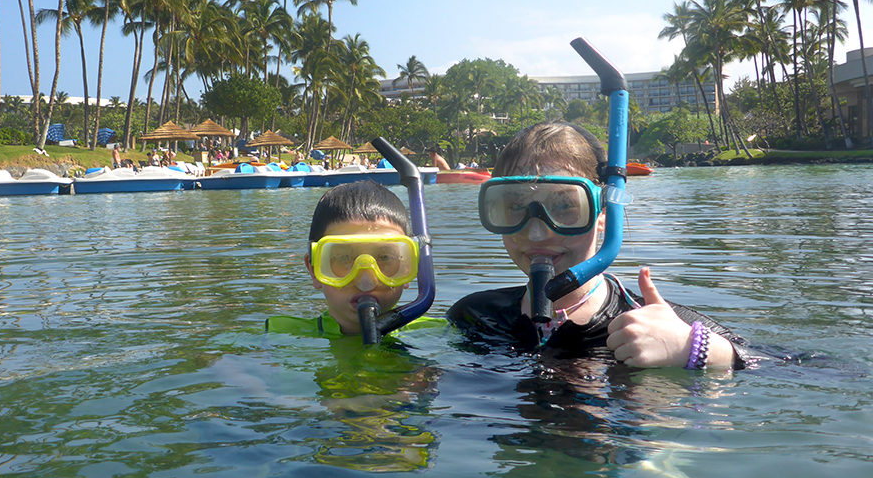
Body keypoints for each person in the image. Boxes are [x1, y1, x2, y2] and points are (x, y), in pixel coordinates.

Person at [447, 121, 756, 370]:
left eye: (565, 206)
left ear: (604, 213)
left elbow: (785, 368)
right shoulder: (473, 316)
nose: (537, 233)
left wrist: (697, 351)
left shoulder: (665, 325)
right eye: (514, 206)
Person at [266, 180, 441, 337]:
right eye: (344, 258)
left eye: (385, 257)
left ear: (408, 266)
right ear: (314, 270)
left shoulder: (437, 334)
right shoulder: (280, 336)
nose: (366, 282)